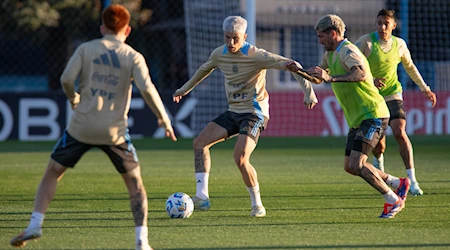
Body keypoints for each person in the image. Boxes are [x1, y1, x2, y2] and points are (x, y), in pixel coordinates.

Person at [10, 4, 176, 250]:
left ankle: (35, 223)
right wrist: (164, 118)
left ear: (102, 27)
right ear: (128, 30)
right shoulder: (133, 56)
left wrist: (74, 98)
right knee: (135, 185)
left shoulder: (86, 49)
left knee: (53, 172)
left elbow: (66, 78)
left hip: (81, 127)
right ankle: (142, 242)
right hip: (114, 132)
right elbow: (147, 87)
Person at [173, 16, 318, 217]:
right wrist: (183, 90)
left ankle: (257, 205)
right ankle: (202, 196)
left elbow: (293, 64)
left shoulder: (257, 55)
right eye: (227, 37)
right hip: (234, 111)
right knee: (199, 143)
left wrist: (308, 92)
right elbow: (203, 70)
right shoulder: (219, 54)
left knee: (240, 157)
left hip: (255, 113)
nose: (231, 43)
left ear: (245, 36)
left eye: (235, 38)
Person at [285, 14, 410, 218]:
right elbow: (320, 78)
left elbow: (359, 73)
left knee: (357, 164)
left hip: (373, 113)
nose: (319, 40)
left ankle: (393, 200)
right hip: (358, 118)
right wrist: (299, 71)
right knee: (350, 167)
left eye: (321, 36)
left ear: (333, 33)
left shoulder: (348, 50)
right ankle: (398, 183)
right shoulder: (330, 54)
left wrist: (331, 77)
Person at [355, 9, 437, 196]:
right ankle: (380, 164)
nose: (382, 27)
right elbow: (355, 66)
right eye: (379, 23)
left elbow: (410, 67)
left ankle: (413, 180)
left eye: (386, 23)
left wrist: (425, 88)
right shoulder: (366, 42)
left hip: (393, 93)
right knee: (380, 145)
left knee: (400, 131)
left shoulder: (399, 44)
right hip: (372, 96)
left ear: (393, 25)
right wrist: (371, 79)